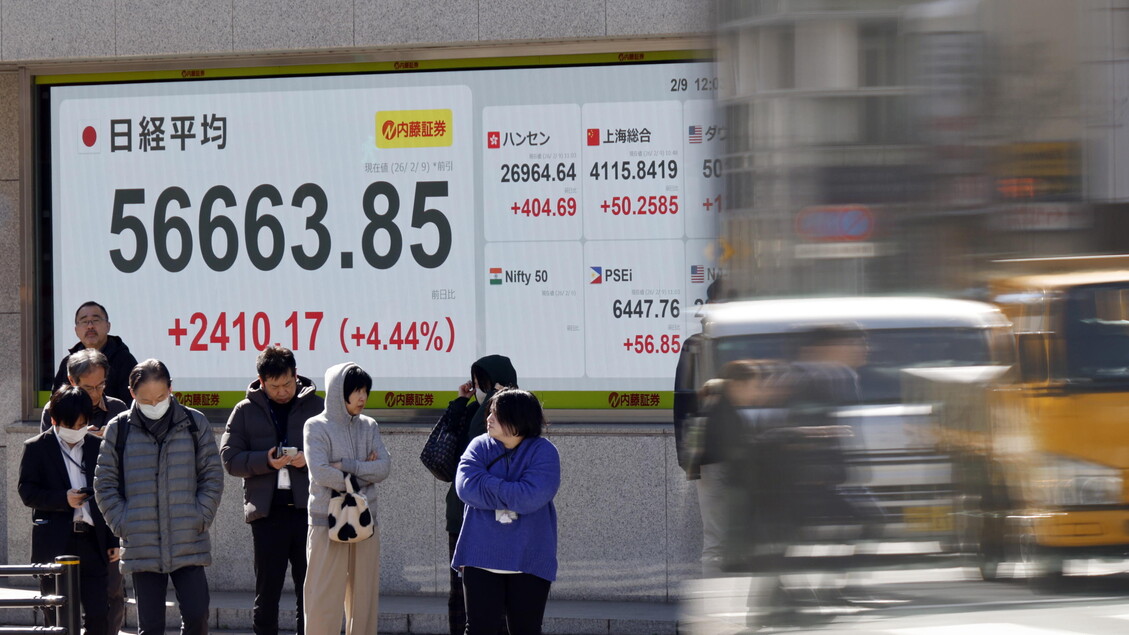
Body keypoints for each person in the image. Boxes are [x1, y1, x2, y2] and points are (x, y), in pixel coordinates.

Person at [94, 359, 224, 635]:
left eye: (160, 397)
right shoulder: (119, 428)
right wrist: (122, 522)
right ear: (132, 394)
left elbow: (212, 475)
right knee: (151, 626)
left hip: (188, 536)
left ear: (171, 389)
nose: (154, 404)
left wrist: (201, 515)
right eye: (146, 400)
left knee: (197, 615)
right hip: (142, 541)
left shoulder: (194, 422)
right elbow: (104, 483)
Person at [221, 346, 324, 635]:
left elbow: (334, 453)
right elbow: (229, 458)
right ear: (261, 381)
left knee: (311, 591)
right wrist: (265, 460)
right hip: (267, 514)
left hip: (310, 512)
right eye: (274, 386)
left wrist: (307, 460)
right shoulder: (245, 410)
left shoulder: (317, 407)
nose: (282, 392)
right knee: (267, 592)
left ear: (296, 375)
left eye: (287, 384)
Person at [453, 388, 560, 635]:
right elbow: (466, 488)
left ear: (518, 417)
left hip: (530, 557)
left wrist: (486, 482)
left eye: (496, 413)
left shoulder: (544, 451)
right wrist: (515, 489)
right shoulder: (479, 445)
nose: (488, 418)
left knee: (527, 629)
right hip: (480, 556)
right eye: (490, 412)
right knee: (478, 629)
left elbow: (531, 498)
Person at [40, 348, 129, 635]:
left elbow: (129, 464)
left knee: (110, 593)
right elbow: (48, 460)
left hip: (104, 520)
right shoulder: (55, 409)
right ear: (71, 381)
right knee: (58, 597)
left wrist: (104, 444)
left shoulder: (117, 409)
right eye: (88, 387)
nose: (95, 393)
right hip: (63, 524)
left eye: (101, 385)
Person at [19, 386, 117, 635]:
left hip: (92, 541)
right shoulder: (37, 447)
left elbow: (111, 493)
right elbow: (27, 492)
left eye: (81, 425)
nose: (75, 431)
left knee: (98, 614)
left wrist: (114, 540)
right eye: (69, 425)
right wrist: (63, 499)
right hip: (55, 542)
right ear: (54, 420)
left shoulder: (98, 446)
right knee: (56, 614)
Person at [303, 362, 390, 635]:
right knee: (323, 599)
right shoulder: (315, 426)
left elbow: (384, 468)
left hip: (365, 521)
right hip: (325, 522)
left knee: (364, 599)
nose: (362, 397)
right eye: (356, 391)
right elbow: (321, 473)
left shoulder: (369, 425)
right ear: (338, 391)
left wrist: (347, 466)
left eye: (365, 391)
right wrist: (364, 471)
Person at [437, 355, 517, 635]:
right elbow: (452, 439)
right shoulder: (473, 411)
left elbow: (482, 439)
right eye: (476, 383)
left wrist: (494, 401)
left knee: (498, 593)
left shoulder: (516, 415)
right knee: (461, 593)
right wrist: (461, 401)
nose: (480, 389)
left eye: (484, 383)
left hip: (499, 517)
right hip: (460, 515)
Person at [53, 301, 138, 403]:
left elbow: (132, 403)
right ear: (76, 330)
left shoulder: (124, 360)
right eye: (84, 321)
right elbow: (55, 402)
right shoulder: (67, 363)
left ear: (108, 326)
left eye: (95, 320)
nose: (90, 326)